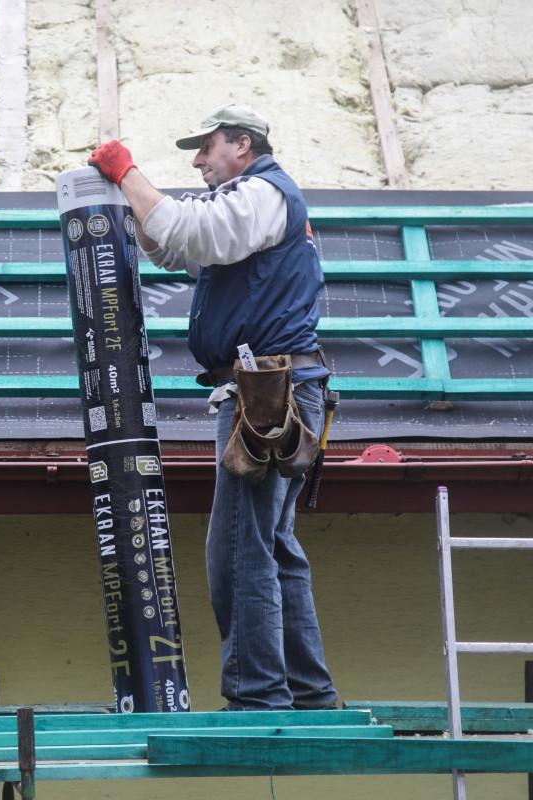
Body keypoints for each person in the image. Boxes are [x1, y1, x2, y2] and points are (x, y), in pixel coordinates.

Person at [87, 104, 337, 711]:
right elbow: (176, 247)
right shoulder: (255, 207)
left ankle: (258, 696)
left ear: (242, 145)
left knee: (239, 549)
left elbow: (191, 231)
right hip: (273, 387)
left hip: (266, 392)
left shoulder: (261, 195)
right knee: (273, 546)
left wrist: (125, 172)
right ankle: (307, 693)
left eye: (207, 147)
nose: (198, 161)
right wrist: (135, 207)